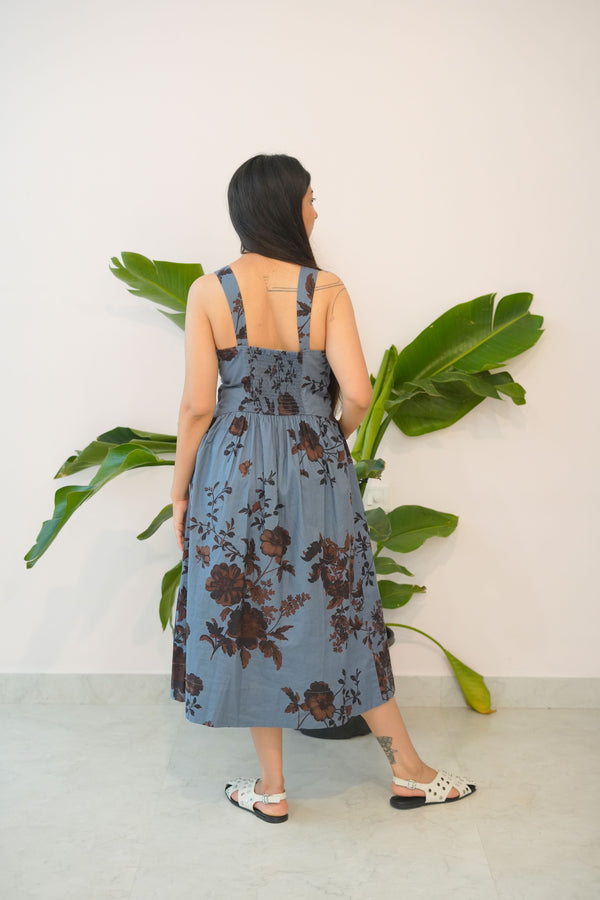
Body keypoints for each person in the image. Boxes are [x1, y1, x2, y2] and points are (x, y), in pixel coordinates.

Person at [169, 154, 475, 822]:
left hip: (233, 468)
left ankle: (272, 790)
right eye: (311, 198)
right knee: (345, 612)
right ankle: (410, 772)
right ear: (283, 206)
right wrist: (327, 432)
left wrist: (180, 489)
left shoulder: (207, 291)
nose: (316, 209)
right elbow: (360, 394)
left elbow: (197, 407)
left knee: (247, 612)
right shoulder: (327, 288)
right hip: (317, 464)